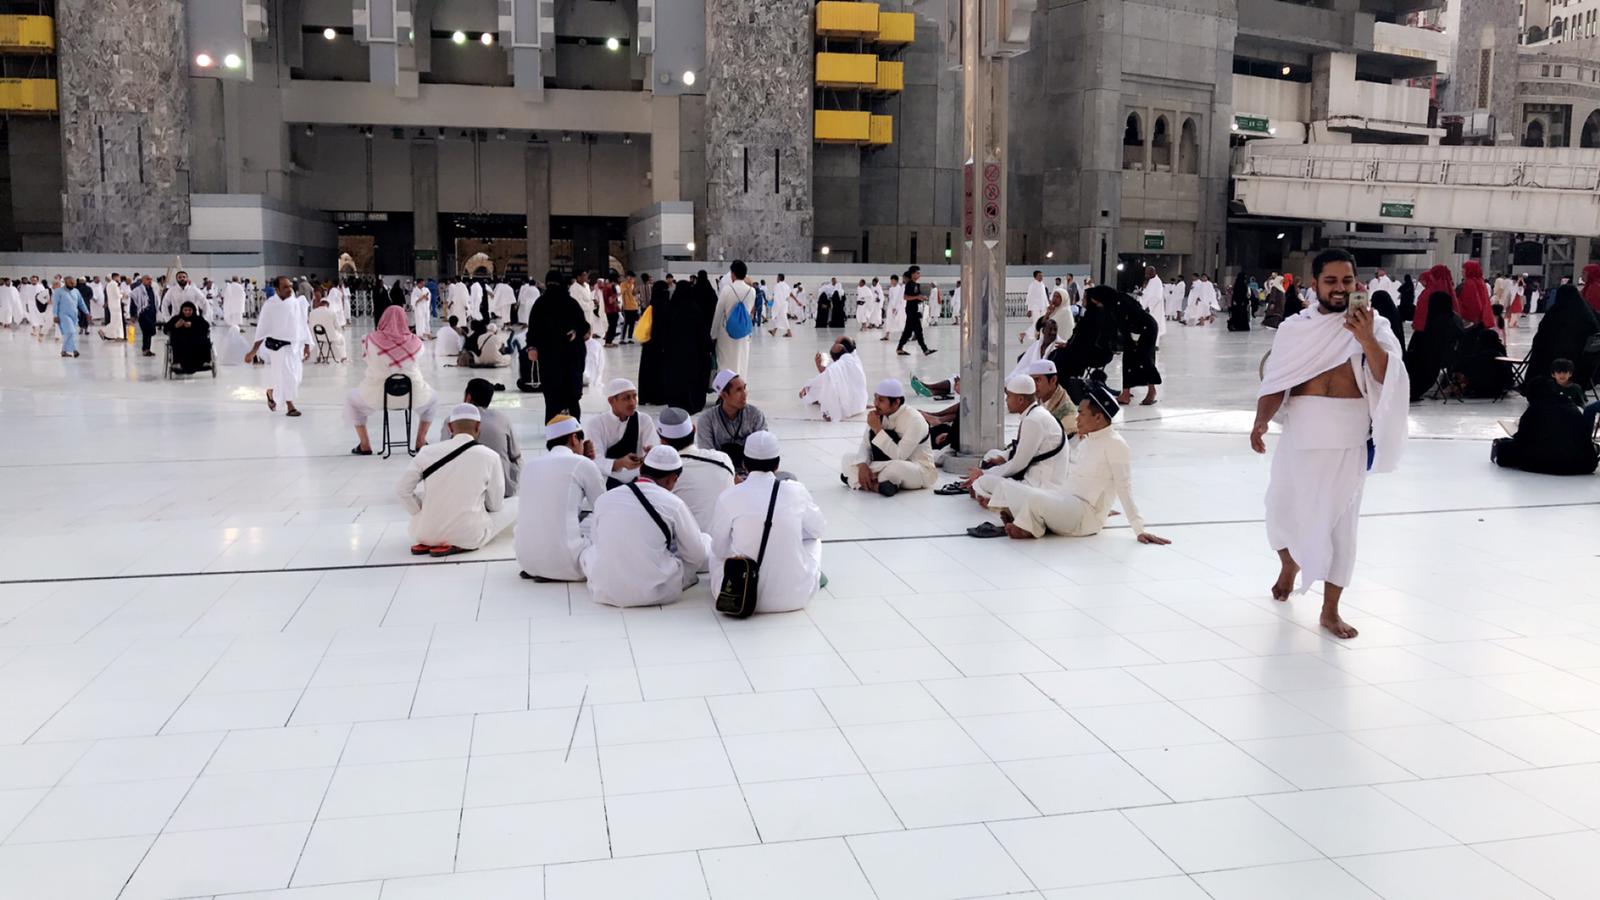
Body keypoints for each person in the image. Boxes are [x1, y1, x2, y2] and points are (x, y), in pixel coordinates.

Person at [1252, 248, 1408, 640]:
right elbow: (1277, 381)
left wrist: (1366, 338)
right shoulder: (1294, 328)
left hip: (1346, 436)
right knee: (1281, 510)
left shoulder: (1377, 326)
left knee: (1340, 527)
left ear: (1358, 284)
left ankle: (1330, 610)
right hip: (1300, 434)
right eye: (1331, 281)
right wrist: (1260, 421)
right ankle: (1290, 563)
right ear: (1315, 284)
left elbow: (1389, 378)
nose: (1340, 289)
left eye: (1347, 281)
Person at [970, 379, 1171, 544]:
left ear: (1099, 418)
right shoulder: (1087, 441)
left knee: (1034, 499)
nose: (1076, 419)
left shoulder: (1116, 445)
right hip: (1064, 500)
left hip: (1084, 516)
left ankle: (1028, 523)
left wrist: (1139, 529)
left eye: (1081, 414)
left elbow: (1124, 488)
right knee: (1010, 487)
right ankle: (1028, 519)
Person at [580, 445, 712, 607]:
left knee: (590, 551)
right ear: (673, 479)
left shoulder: (605, 498)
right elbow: (696, 555)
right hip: (655, 592)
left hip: (605, 590)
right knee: (704, 540)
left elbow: (597, 541)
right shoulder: (674, 504)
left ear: (641, 469)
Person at [709, 431, 826, 613]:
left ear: (744, 464)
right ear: (777, 464)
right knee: (813, 540)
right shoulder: (796, 490)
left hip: (740, 596)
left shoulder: (729, 496)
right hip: (795, 598)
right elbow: (818, 530)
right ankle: (809, 575)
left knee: (715, 550)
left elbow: (719, 549)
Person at [397, 404, 513, 557]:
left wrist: (419, 511)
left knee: (423, 495)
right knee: (513, 504)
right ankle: (457, 541)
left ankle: (432, 540)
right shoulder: (490, 456)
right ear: (478, 426)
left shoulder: (427, 452)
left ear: (450, 427)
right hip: (469, 536)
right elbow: (495, 504)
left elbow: (402, 490)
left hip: (425, 533)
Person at [514, 415, 606, 581]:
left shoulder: (530, 466)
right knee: (598, 520)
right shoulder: (583, 464)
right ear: (573, 438)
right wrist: (588, 464)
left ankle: (544, 564)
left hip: (527, 561)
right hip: (570, 564)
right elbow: (603, 507)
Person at [953, 373, 1069, 502]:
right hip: (1034, 474)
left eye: (1008, 396)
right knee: (992, 455)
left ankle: (991, 497)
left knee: (983, 481)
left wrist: (984, 473)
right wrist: (1003, 457)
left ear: (1020, 400)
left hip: (1041, 485)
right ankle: (988, 493)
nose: (1006, 400)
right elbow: (1023, 448)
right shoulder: (1035, 414)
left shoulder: (1034, 420)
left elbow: (1018, 464)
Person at [347, 306, 436, 454]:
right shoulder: (417, 343)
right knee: (433, 400)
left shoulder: (369, 340)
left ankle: (364, 444)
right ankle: (420, 440)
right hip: (412, 395)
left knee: (351, 400)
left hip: (377, 395)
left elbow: (366, 358)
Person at [843, 378, 938, 495]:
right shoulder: (879, 414)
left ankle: (854, 479)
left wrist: (878, 429)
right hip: (883, 463)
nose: (876, 404)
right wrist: (862, 465)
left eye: (881, 400)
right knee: (848, 459)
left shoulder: (915, 420)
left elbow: (899, 456)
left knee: (893, 469)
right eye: (875, 398)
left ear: (896, 402)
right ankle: (878, 486)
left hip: (917, 469)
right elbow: (865, 445)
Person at [1492, 376, 1599, 476]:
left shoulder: (1534, 410)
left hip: (1543, 462)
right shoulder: (1571, 407)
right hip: (1579, 464)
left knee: (1505, 449)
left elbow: (1522, 440)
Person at [656, 406, 736, 532]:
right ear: (694, 429)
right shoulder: (723, 459)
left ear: (663, 441)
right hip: (728, 544)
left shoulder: (665, 475)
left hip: (689, 548)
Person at [527, 270, 591, 420]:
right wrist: (577, 332)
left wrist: (532, 346)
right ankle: (573, 432)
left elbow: (532, 330)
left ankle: (555, 432)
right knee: (568, 397)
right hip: (569, 357)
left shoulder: (541, 303)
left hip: (551, 357)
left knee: (553, 398)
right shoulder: (570, 303)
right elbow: (584, 327)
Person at [442, 378, 521, 496]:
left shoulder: (452, 420)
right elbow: (516, 456)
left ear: (468, 397)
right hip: (503, 490)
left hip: (463, 492)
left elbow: (443, 455)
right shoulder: (502, 419)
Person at [247, 276, 311, 416]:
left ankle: (272, 392)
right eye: (285, 287)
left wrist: (307, 344)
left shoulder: (295, 303)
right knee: (286, 376)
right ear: (277, 290)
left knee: (295, 378)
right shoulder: (270, 305)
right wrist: (253, 351)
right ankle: (290, 406)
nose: (289, 289)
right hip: (278, 347)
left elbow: (302, 324)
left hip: (295, 347)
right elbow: (262, 329)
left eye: (290, 286)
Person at [1526, 285, 1600, 396]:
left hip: (1557, 360)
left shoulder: (1556, 312)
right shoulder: (1587, 313)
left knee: (1541, 354)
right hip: (1584, 362)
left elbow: (1542, 335)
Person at [588, 378, 659, 487]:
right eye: (626, 398)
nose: (632, 402)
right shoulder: (596, 424)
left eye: (634, 396)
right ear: (611, 401)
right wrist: (619, 463)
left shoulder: (644, 420)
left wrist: (650, 455)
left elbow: (653, 451)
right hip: (608, 480)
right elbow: (594, 460)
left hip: (638, 480)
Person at [695, 369, 769, 472]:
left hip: (753, 471)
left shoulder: (754, 414)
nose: (745, 394)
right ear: (724, 395)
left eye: (745, 388)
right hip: (721, 473)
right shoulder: (707, 420)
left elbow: (764, 446)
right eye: (738, 390)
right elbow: (707, 456)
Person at [1403, 290, 1464, 401]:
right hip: (1450, 356)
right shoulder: (1454, 318)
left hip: (1435, 358)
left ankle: (1410, 388)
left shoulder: (1436, 321)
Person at [1050, 285, 1119, 378]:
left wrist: (1069, 346)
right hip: (1097, 353)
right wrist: (1068, 344)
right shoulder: (1098, 315)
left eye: (1085, 298)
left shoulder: (1092, 318)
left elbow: (1083, 340)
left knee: (1058, 356)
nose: (1082, 300)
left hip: (1094, 354)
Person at [800, 335, 869, 422]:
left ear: (841, 347)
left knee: (812, 390)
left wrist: (806, 386)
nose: (834, 344)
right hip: (860, 405)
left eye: (836, 343)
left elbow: (826, 377)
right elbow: (829, 375)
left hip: (848, 408)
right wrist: (820, 366)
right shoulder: (852, 358)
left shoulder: (841, 363)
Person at [711, 261, 756, 377]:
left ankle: (727, 388)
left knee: (725, 362)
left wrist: (713, 334)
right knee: (741, 360)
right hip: (744, 332)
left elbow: (718, 313)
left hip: (726, 332)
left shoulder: (727, 289)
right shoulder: (752, 291)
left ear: (733, 274)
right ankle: (740, 386)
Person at [896, 266, 936, 357]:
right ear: (913, 274)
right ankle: (925, 350)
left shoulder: (916, 285)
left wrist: (921, 298)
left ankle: (899, 348)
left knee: (908, 332)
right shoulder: (909, 284)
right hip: (911, 310)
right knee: (918, 330)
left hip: (915, 309)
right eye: (917, 273)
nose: (919, 274)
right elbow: (906, 297)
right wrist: (917, 297)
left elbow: (915, 297)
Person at [1028, 359, 1077, 433]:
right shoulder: (1036, 399)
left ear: (1053, 380)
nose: (1034, 385)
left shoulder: (1067, 411)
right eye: (1031, 380)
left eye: (1037, 380)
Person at [163, 300, 212, 373]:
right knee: (178, 342)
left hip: (196, 342)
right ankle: (177, 363)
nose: (187, 312)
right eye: (185, 310)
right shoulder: (176, 318)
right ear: (182, 310)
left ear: (193, 310)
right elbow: (166, 329)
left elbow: (206, 327)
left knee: (204, 340)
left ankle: (204, 362)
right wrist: (175, 326)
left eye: (189, 310)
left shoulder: (198, 319)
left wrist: (193, 325)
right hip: (181, 342)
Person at [1456, 261, 1498, 331]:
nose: (1462, 271)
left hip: (1469, 321)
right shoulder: (1480, 282)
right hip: (1481, 319)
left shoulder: (1469, 283)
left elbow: (1472, 304)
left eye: (1464, 269)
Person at [54, 276, 90, 357]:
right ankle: (74, 350)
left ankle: (64, 351)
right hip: (63, 315)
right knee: (71, 331)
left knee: (70, 334)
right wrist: (55, 315)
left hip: (74, 316)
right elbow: (55, 304)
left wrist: (87, 313)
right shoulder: (58, 291)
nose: (72, 285)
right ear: (66, 283)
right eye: (71, 283)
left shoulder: (76, 291)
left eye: (74, 283)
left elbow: (81, 303)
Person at [128, 274, 161, 355]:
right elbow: (133, 303)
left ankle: (147, 349)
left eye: (150, 279)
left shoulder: (153, 290)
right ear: (142, 280)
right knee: (146, 332)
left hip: (152, 313)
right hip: (143, 313)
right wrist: (133, 315)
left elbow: (156, 301)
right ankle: (145, 350)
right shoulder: (137, 291)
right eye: (147, 279)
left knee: (151, 332)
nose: (149, 281)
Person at [308, 297, 348, 363]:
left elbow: (310, 326)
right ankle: (343, 357)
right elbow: (338, 327)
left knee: (323, 341)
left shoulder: (312, 313)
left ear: (320, 304)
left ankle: (320, 355)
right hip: (330, 336)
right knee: (341, 337)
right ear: (328, 305)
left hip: (316, 337)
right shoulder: (332, 313)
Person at [1138, 266, 1168, 339]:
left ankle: (1155, 345)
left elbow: (1157, 297)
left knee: (1155, 325)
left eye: (1147, 273)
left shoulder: (1157, 282)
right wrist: (1142, 294)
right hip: (1149, 308)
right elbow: (1148, 293)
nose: (1146, 275)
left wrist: (1149, 307)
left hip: (1154, 309)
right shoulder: (1151, 281)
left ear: (1152, 272)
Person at [1024, 270, 1049, 343]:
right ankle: (1036, 337)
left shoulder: (1042, 285)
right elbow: (1029, 297)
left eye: (1042, 275)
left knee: (1043, 322)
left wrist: (1047, 306)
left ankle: (1041, 336)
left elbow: (1045, 297)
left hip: (1043, 307)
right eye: (1039, 275)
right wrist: (1029, 309)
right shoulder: (1032, 285)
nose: (1041, 277)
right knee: (1036, 323)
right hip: (1035, 308)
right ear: (1035, 277)